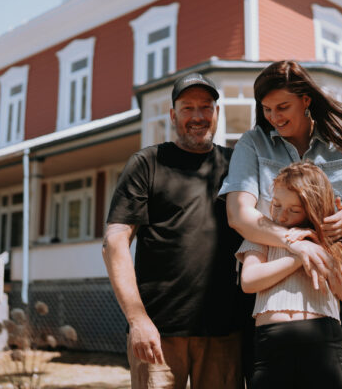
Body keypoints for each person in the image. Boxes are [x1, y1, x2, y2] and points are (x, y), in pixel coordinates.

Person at [220, 60, 342, 389]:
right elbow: (238, 215)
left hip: (339, 293)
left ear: (306, 100)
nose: (274, 117)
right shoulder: (253, 143)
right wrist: (298, 243)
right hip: (272, 299)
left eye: (283, 107)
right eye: (266, 109)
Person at [102, 72, 250, 389]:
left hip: (225, 333)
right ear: (173, 115)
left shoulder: (236, 164)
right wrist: (137, 320)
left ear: (217, 113)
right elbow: (114, 242)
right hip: (158, 334)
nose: (197, 116)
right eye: (187, 108)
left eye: (206, 107)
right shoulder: (147, 163)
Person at [238, 161, 342, 389]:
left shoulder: (332, 239)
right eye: (276, 205)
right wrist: (298, 255)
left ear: (313, 208)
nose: (281, 216)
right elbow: (249, 281)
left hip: (324, 343)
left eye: (294, 210)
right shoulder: (262, 233)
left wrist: (323, 256)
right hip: (271, 345)